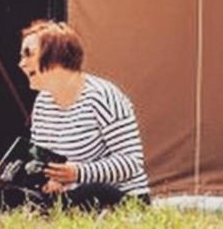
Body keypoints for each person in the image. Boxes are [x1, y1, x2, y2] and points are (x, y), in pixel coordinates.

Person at [12, 20, 150, 211]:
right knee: (0, 198)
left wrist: (78, 173)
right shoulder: (43, 102)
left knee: (92, 191)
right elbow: (42, 160)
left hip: (119, 196)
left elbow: (131, 162)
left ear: (55, 56)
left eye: (28, 54)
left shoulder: (103, 97)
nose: (21, 64)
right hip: (68, 196)